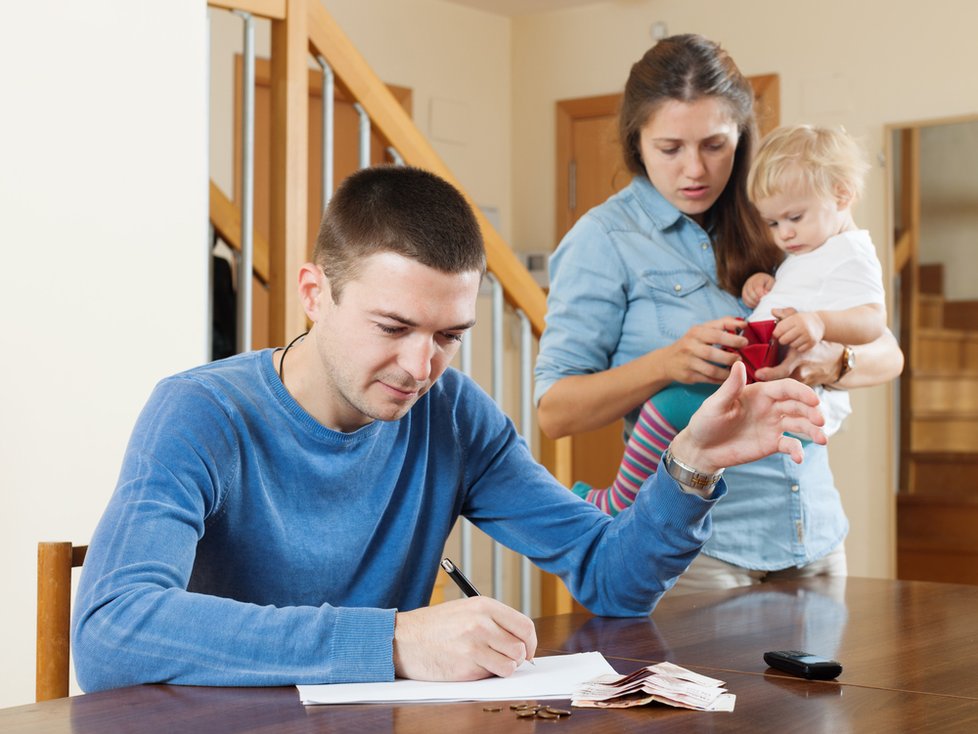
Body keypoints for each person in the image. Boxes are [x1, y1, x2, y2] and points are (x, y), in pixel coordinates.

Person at [72, 165, 826, 692]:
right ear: (314, 292)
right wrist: (393, 641)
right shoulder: (201, 413)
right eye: (393, 326)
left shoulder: (452, 413)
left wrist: (688, 464)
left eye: (448, 335)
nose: (418, 366)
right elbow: (113, 631)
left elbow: (611, 578)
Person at [535, 35, 903, 592]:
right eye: (670, 148)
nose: (695, 170)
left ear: (742, 135)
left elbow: (889, 353)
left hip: (815, 537)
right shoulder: (603, 240)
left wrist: (829, 362)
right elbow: (555, 413)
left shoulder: (782, 214)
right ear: (636, 141)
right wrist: (669, 364)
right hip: (697, 557)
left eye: (714, 145)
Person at [579, 124, 887, 515]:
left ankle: (618, 502)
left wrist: (821, 324)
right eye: (773, 224)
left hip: (799, 407)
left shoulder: (852, 253)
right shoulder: (814, 247)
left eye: (794, 217)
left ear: (842, 194)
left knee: (665, 407)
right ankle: (626, 501)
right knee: (670, 412)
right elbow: (803, 291)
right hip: (768, 388)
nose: (784, 235)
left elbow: (875, 321)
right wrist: (764, 288)